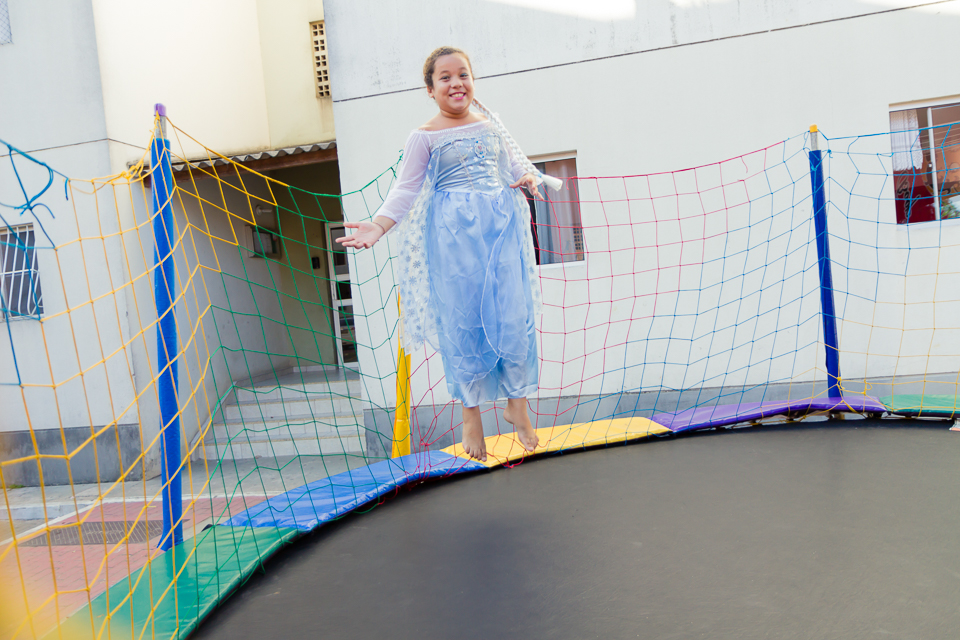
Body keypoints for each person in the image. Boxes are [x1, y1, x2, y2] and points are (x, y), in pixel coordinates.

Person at [337, 46, 561, 462]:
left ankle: (518, 405)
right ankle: (471, 414)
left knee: (513, 315)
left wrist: (527, 177)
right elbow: (406, 189)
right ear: (430, 88)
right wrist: (379, 225)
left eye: (463, 74)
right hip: (455, 238)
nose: (456, 82)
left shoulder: (492, 125)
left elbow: (512, 167)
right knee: (465, 321)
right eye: (445, 77)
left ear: (472, 81)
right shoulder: (424, 136)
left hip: (500, 232)